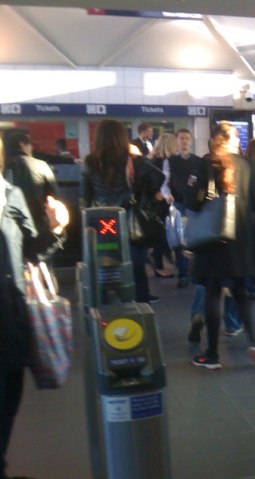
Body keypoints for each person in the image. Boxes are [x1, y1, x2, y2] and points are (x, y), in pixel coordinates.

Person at [0, 135, 68, 479]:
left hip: (8, 320)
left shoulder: (10, 196)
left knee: (8, 397)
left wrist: (56, 228)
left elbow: (31, 252)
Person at [185, 121, 255, 370]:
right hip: (242, 242)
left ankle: (212, 355)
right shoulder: (249, 165)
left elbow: (195, 201)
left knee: (213, 293)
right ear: (235, 140)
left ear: (214, 140)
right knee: (241, 293)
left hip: (213, 240)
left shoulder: (207, 163)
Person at [82, 118, 165, 303]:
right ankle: (140, 300)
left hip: (101, 224)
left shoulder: (91, 162)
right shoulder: (134, 160)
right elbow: (158, 177)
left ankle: (103, 302)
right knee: (135, 265)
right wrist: (143, 193)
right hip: (130, 221)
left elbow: (85, 196)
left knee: (103, 264)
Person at [3, 129, 68, 263]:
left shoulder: (3, 169)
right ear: (22, 144)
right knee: (40, 265)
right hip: (39, 232)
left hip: (7, 234)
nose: (32, 149)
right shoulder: (40, 166)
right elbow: (55, 198)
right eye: (30, 145)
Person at [168, 128, 201, 288]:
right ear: (177, 141)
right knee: (180, 239)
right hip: (178, 203)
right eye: (181, 138)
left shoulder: (197, 161)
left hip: (193, 205)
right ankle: (183, 272)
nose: (184, 141)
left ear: (191, 141)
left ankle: (193, 271)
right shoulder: (171, 161)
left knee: (192, 238)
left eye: (187, 138)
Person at [149, 132, 178, 278]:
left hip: (158, 201)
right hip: (160, 202)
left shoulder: (155, 160)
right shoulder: (163, 161)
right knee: (161, 234)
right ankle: (158, 265)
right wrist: (164, 195)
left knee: (161, 233)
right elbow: (163, 182)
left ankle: (157, 259)